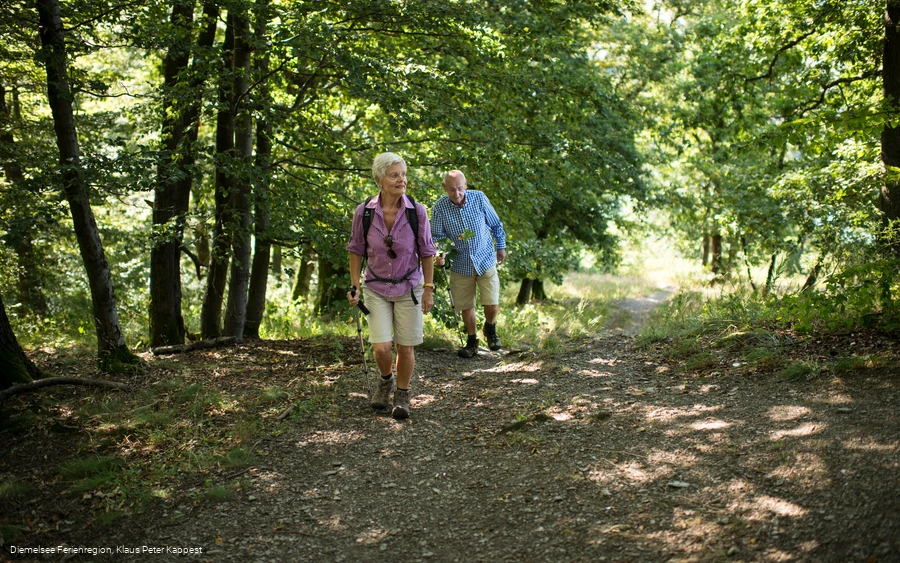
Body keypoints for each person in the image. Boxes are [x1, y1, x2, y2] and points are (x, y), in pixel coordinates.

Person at [346, 152, 437, 419]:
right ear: (379, 180)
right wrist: (354, 285)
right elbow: (356, 249)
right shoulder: (363, 212)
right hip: (375, 286)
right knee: (381, 347)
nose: (402, 180)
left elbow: (427, 252)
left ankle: (402, 393)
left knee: (405, 347)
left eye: (403, 175)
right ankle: (386, 380)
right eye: (394, 175)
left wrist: (428, 288)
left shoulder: (417, 212)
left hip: (409, 287)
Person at [431, 170, 507, 358]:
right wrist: (440, 253)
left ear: (466, 185)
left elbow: (495, 224)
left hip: (485, 258)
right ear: (444, 188)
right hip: (460, 262)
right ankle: (472, 342)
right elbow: (437, 237)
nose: (456, 193)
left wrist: (501, 247)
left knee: (492, 303)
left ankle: (490, 327)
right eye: (451, 189)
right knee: (466, 305)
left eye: (460, 188)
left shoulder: (479, 198)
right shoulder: (439, 207)